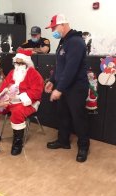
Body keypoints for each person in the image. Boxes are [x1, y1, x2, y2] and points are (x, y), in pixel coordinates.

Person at [45, 14, 90, 162]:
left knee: (78, 118)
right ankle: (63, 141)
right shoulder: (63, 42)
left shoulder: (76, 42)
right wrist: (52, 80)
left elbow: (71, 69)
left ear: (63, 25)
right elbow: (60, 65)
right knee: (62, 114)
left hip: (76, 88)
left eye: (54, 28)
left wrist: (59, 89)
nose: (53, 31)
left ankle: (83, 146)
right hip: (63, 86)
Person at [0, 49, 44, 156]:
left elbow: (37, 92)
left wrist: (20, 97)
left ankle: (17, 143)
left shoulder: (34, 74)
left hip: (27, 102)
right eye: (16, 62)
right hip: (11, 100)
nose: (18, 65)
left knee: (17, 112)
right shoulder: (12, 73)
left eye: (21, 63)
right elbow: (5, 85)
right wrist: (5, 94)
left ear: (27, 63)